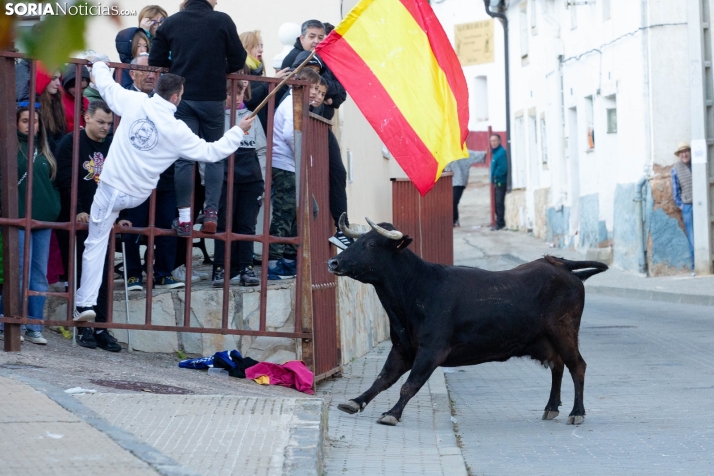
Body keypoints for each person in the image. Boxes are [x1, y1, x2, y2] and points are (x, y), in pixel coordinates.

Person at [72, 61, 254, 323]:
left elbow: (106, 85)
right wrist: (238, 131)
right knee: (101, 239)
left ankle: (85, 303)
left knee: (95, 244)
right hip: (137, 195)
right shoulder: (178, 129)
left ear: (156, 89)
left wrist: (99, 64)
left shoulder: (134, 101)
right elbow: (211, 152)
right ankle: (89, 302)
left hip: (111, 188)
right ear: (177, 97)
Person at [149, 0, 247, 236]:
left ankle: (184, 217)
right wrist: (217, 66)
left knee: (184, 158)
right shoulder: (222, 20)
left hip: (182, 97)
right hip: (212, 97)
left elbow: (156, 60)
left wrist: (179, 64)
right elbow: (237, 59)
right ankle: (211, 212)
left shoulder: (171, 22)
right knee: (215, 154)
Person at [55, 100, 124, 351]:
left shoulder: (114, 144)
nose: (106, 127)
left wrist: (122, 212)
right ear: (86, 118)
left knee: (104, 274)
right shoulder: (71, 142)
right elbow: (65, 179)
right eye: (101, 122)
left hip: (105, 217)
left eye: (109, 123)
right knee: (80, 272)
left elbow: (121, 180)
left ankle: (101, 328)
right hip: (76, 218)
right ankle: (83, 327)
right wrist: (79, 210)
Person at [121, 54, 182, 291]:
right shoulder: (125, 98)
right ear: (132, 73)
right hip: (135, 177)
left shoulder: (167, 101)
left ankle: (162, 274)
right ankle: (133, 275)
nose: (150, 75)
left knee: (167, 225)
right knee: (132, 226)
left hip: (164, 176)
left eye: (155, 71)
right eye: (144, 70)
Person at [0, 106, 60, 344]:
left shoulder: (45, 151)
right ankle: (10, 320)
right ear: (16, 123)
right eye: (25, 121)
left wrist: (53, 207)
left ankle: (34, 325)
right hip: (18, 219)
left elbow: (54, 183)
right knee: (18, 271)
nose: (30, 125)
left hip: (43, 221)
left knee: (38, 274)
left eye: (34, 122)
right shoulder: (10, 150)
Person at [267, 68, 322, 280]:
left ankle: (289, 258)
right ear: (300, 85)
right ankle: (274, 262)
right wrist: (301, 156)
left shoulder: (297, 104)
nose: (317, 94)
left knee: (306, 210)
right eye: (314, 88)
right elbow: (291, 134)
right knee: (285, 212)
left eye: (319, 90)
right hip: (286, 165)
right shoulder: (292, 103)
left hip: (291, 165)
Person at [212, 80, 266, 287]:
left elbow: (262, 149)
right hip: (224, 179)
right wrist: (210, 181)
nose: (234, 97)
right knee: (222, 223)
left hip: (251, 180)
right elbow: (208, 149)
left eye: (239, 92)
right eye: (228, 93)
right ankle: (220, 268)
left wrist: (262, 178)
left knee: (246, 225)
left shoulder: (252, 116)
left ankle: (246, 267)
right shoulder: (217, 117)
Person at [240, 30, 291, 136]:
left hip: (261, 131)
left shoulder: (258, 73)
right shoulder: (238, 72)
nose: (261, 50)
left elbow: (272, 102)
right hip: (247, 132)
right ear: (245, 47)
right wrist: (271, 83)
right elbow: (246, 99)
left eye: (262, 46)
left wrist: (283, 84)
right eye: (256, 46)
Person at [445, 150, 485, 227]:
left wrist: (485, 153)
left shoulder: (464, 152)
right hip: (449, 182)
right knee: (450, 201)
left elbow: (477, 155)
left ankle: (455, 221)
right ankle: (452, 220)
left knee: (454, 201)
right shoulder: (446, 152)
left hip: (459, 182)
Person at [671, 142, 695, 272]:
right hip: (687, 207)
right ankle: (696, 266)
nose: (684, 154)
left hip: (701, 205)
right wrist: (682, 206)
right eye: (682, 152)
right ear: (679, 155)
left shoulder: (697, 165)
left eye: (686, 151)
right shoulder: (675, 169)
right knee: (692, 237)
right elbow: (676, 193)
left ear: (690, 152)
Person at [61, 63, 90, 134]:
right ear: (67, 84)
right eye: (75, 87)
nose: (79, 91)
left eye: (83, 88)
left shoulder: (86, 102)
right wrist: (74, 128)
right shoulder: (57, 99)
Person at [490, 134, 508, 231]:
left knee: (499, 203)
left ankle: (500, 222)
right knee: (497, 202)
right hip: (497, 181)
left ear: (500, 141)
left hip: (501, 181)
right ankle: (500, 221)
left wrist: (496, 175)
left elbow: (503, 168)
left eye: (495, 140)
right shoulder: (495, 153)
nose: (493, 143)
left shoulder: (501, 153)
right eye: (492, 141)